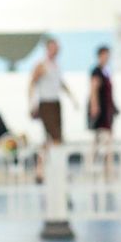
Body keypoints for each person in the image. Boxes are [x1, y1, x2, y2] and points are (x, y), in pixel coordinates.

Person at [28, 37, 77, 183]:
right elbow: (32, 83)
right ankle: (55, 169)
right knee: (55, 137)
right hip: (46, 103)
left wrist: (72, 98)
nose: (55, 50)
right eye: (53, 47)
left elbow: (60, 83)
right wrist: (31, 104)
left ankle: (41, 170)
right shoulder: (42, 65)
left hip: (56, 103)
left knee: (52, 138)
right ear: (48, 49)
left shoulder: (56, 65)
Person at [88, 45, 119, 180]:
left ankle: (104, 167)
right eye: (105, 55)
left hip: (107, 109)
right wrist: (94, 106)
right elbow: (93, 90)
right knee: (103, 139)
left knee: (101, 139)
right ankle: (102, 167)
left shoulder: (106, 71)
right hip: (101, 110)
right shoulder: (96, 71)